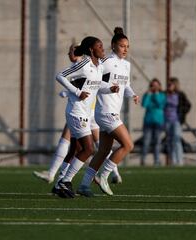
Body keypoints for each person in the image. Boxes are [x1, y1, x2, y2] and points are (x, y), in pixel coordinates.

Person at [33, 44, 121, 184]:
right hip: (83, 111)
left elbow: (87, 87)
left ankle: (59, 177)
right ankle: (65, 179)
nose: (70, 54)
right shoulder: (84, 66)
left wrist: (71, 92)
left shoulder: (84, 65)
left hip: (85, 111)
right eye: (69, 51)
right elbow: (86, 86)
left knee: (81, 146)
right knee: (84, 147)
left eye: (72, 51)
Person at [53, 36, 118, 198]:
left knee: (78, 149)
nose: (103, 49)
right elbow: (60, 76)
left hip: (85, 113)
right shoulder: (83, 63)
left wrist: (110, 88)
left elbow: (96, 86)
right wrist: (77, 92)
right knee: (89, 149)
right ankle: (65, 181)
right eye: (100, 46)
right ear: (91, 49)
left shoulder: (99, 66)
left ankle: (60, 182)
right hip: (76, 111)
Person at [77, 27, 139, 197]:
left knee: (103, 151)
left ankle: (83, 185)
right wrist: (107, 87)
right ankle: (103, 175)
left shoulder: (126, 65)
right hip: (105, 112)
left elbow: (125, 85)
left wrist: (132, 94)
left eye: (127, 46)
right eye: (121, 46)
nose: (125, 49)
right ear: (113, 46)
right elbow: (94, 80)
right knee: (128, 145)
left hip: (113, 113)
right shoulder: (106, 62)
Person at [164, 77, 191, 166]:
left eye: (170, 85)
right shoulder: (165, 94)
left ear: (175, 85)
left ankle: (179, 161)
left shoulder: (180, 94)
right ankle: (173, 160)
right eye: (168, 85)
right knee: (169, 140)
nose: (168, 86)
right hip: (167, 120)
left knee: (177, 139)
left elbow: (188, 105)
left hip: (176, 120)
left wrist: (181, 114)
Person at [140, 78, 166, 166]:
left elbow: (160, 104)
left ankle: (157, 160)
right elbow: (144, 104)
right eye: (152, 85)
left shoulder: (162, 95)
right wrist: (149, 94)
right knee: (146, 141)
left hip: (158, 121)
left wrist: (156, 94)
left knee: (157, 142)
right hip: (148, 121)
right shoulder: (148, 95)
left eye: (156, 85)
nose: (154, 87)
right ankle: (143, 160)